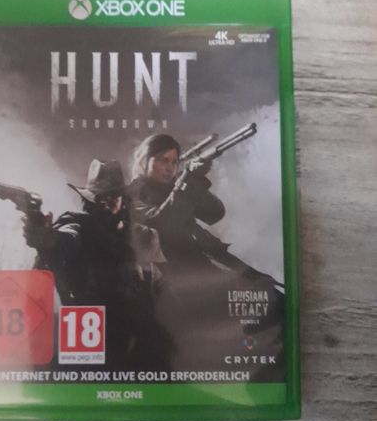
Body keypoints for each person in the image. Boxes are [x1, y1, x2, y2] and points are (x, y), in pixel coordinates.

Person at [127, 134, 284, 378]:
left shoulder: (173, 186)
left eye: (174, 161)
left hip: (203, 271)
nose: (169, 167)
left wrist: (191, 178)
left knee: (274, 301)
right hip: (175, 284)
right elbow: (164, 224)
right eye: (162, 160)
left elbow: (215, 213)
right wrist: (187, 181)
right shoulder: (133, 194)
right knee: (265, 307)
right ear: (145, 160)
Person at [23, 159, 174, 371]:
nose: (108, 206)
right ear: (90, 201)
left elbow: (160, 284)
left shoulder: (136, 234)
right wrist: (47, 238)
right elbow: (64, 241)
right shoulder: (78, 225)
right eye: (101, 200)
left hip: (133, 343)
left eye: (114, 199)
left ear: (123, 200)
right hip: (88, 346)